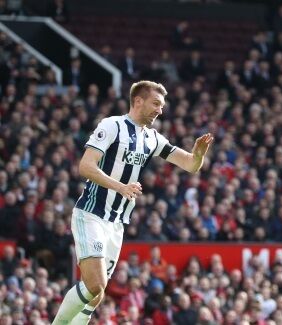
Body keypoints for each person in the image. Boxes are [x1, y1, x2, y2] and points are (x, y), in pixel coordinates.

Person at [52, 80, 214, 324]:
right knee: (95, 285)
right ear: (138, 101)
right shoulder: (112, 125)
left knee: (95, 295)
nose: (161, 110)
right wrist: (121, 187)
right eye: (156, 103)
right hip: (92, 213)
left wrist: (199, 154)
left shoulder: (152, 138)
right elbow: (85, 166)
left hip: (116, 223)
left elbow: (190, 164)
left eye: (163, 105)